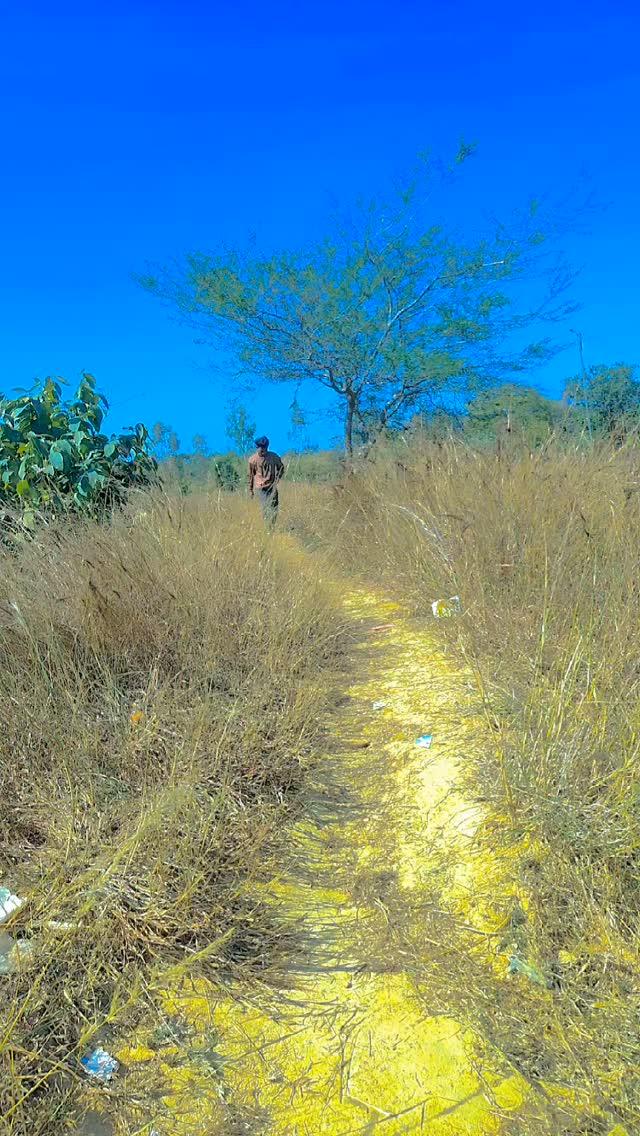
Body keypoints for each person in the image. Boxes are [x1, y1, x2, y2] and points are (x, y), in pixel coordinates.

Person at [248, 435, 284, 527]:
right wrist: (250, 490)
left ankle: (272, 527)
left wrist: (277, 479)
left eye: (265, 447)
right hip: (261, 488)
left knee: (274, 508)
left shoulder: (274, 456)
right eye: (261, 448)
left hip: (272, 486)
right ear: (257, 447)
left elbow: (281, 468)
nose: (263, 450)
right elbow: (251, 476)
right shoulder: (252, 460)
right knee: (265, 507)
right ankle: (267, 528)